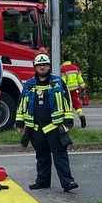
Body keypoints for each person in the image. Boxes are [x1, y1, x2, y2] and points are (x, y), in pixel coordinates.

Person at [16, 53, 78, 192]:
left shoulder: (58, 81)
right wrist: (19, 123)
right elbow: (22, 103)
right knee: (41, 155)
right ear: (35, 67)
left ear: (49, 66)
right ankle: (43, 181)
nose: (42, 67)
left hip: (54, 126)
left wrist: (68, 120)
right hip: (35, 127)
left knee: (60, 154)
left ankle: (67, 182)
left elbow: (67, 100)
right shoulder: (29, 84)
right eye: (39, 65)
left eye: (44, 65)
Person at [60, 56, 90, 128]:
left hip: (67, 90)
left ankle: (70, 122)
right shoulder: (76, 68)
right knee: (76, 103)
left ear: (63, 60)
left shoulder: (63, 69)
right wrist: (83, 88)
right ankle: (81, 116)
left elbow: (63, 81)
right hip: (75, 90)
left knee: (67, 106)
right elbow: (80, 79)